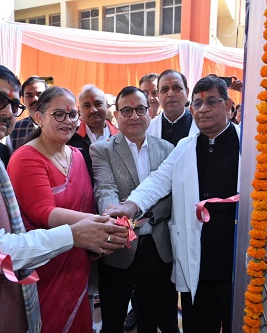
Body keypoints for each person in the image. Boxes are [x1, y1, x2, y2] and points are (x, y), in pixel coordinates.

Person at [0, 64, 128, 333]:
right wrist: (101, 224)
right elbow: (41, 212)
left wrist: (97, 230)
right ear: (38, 117)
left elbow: (88, 202)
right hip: (45, 259)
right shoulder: (26, 157)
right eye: (58, 114)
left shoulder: (79, 155)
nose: (68, 121)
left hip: (78, 258)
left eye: (72, 114)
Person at [104, 75, 241, 333]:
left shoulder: (250, 145)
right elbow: (158, 180)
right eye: (198, 104)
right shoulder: (185, 147)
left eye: (212, 102)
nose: (204, 109)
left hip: (234, 257)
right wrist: (130, 206)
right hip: (196, 258)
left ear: (228, 105)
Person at [90, 86, 178, 333]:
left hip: (157, 246)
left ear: (150, 112)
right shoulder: (102, 150)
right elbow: (105, 189)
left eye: (140, 109)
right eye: (126, 111)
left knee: (150, 318)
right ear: (116, 115)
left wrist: (146, 214)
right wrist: (115, 214)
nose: (134, 116)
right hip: (120, 246)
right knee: (113, 319)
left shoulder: (168, 149)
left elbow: (171, 196)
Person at [67, 84, 119, 178]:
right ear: (79, 110)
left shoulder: (121, 136)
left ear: (106, 106)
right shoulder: (70, 139)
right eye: (87, 106)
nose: (93, 110)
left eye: (98, 104)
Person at [146, 69, 199, 146]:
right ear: (158, 95)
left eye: (176, 87)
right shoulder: (149, 129)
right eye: (164, 89)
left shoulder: (200, 126)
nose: (170, 93)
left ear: (187, 92)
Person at [8, 76, 48, 151]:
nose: (35, 99)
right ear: (23, 100)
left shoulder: (58, 125)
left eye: (40, 94)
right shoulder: (15, 129)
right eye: (29, 96)